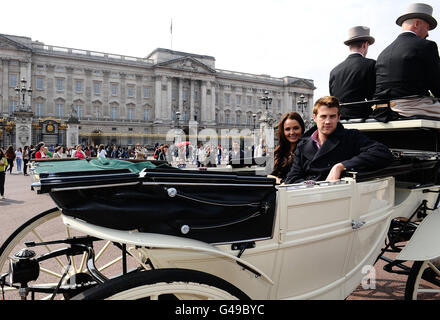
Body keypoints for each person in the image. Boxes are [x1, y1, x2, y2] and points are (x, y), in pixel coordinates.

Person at [285, 96, 394, 184]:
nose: (327, 121)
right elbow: (291, 180)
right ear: (315, 117)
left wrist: (340, 166)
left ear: (338, 117)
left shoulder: (351, 137)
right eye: (323, 116)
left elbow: (382, 152)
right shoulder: (302, 145)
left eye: (332, 116)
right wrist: (314, 184)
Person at [374, 3, 440, 117]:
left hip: (381, 110)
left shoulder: (383, 53)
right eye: (427, 28)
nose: (428, 33)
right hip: (411, 108)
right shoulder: (426, 46)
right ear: (417, 23)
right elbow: (437, 85)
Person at [329, 26, 376, 119]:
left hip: (340, 118)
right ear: (365, 45)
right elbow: (373, 95)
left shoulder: (334, 71)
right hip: (362, 117)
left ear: (349, 46)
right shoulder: (371, 64)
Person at [270, 112, 305, 184]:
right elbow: (268, 173)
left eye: (296, 128)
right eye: (287, 129)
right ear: (283, 131)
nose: (292, 132)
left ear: (302, 128)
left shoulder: (307, 150)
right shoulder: (278, 151)